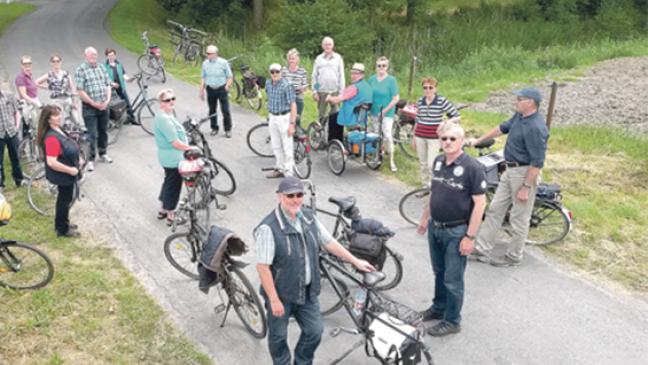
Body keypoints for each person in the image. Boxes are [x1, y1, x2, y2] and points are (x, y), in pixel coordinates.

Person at [255, 176, 374, 365]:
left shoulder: (308, 216)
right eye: (290, 195)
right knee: (278, 338)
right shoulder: (268, 228)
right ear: (279, 196)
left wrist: (355, 261)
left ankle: (302, 362)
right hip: (282, 295)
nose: (296, 199)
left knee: (314, 332)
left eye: (299, 194)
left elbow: (328, 242)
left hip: (307, 291)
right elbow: (263, 268)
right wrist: (274, 299)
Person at [416, 121, 487, 337]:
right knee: (439, 272)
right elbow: (434, 193)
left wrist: (470, 237)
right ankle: (438, 308)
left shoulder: (472, 167)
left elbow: (480, 204)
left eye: (452, 139)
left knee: (453, 279)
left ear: (462, 141)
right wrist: (424, 218)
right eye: (444, 138)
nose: (447, 142)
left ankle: (452, 320)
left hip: (456, 232)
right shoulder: (438, 162)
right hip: (435, 227)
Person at [468, 87, 549, 267]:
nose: (516, 101)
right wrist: (478, 140)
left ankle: (514, 256)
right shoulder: (519, 117)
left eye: (519, 99)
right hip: (509, 169)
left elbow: (537, 162)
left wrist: (526, 187)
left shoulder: (536, 127)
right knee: (495, 209)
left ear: (531, 102)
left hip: (524, 173)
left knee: (519, 217)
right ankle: (482, 249)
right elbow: (501, 128)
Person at [36, 105, 82, 237]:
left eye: (59, 114)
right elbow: (52, 162)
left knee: (65, 199)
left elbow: (68, 144)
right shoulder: (51, 137)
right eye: (56, 115)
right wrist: (70, 170)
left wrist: (79, 158)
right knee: (64, 200)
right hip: (63, 174)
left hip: (69, 172)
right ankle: (62, 229)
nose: (59, 117)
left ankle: (63, 222)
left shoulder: (58, 129)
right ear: (48, 119)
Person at [153, 89, 196, 226]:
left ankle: (163, 209)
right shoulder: (164, 119)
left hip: (168, 156)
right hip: (173, 158)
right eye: (167, 100)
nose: (171, 102)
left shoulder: (165, 115)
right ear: (161, 103)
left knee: (168, 181)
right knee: (174, 185)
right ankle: (171, 213)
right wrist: (190, 148)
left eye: (173, 98)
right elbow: (175, 143)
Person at [414, 78, 461, 187]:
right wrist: (413, 137)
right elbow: (417, 119)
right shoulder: (420, 101)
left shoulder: (441, 100)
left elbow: (457, 116)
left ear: (435, 89)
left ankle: (433, 185)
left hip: (434, 137)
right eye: (425, 88)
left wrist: (445, 123)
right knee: (423, 163)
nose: (428, 90)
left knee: (432, 163)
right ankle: (424, 185)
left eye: (430, 87)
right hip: (420, 135)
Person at [75, 46, 113, 172]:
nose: (94, 57)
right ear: (86, 56)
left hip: (103, 105)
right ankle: (90, 159)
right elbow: (80, 91)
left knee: (103, 131)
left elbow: (108, 84)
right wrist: (92, 103)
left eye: (95, 54)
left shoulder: (102, 67)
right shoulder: (81, 70)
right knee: (92, 134)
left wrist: (107, 100)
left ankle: (103, 153)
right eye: (91, 55)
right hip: (89, 108)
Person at [368, 56, 400, 172]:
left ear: (387, 67)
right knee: (376, 134)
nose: (381, 68)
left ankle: (391, 160)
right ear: (376, 67)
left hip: (387, 112)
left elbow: (396, 98)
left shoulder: (391, 80)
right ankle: (377, 155)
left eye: (384, 66)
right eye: (379, 66)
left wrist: (385, 110)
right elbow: (368, 94)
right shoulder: (371, 79)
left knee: (387, 135)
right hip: (374, 112)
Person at [265, 63, 297, 179]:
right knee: (276, 145)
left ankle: (289, 174)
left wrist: (292, 124)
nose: (275, 74)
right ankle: (280, 168)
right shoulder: (268, 83)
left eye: (277, 72)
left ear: (281, 72)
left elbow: (293, 105)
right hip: (273, 116)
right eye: (272, 72)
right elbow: (269, 99)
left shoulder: (286, 85)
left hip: (284, 117)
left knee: (287, 147)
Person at [326, 63, 373, 142]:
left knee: (333, 117)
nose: (353, 76)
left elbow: (337, 99)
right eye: (352, 73)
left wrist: (329, 98)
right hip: (362, 117)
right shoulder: (367, 86)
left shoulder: (354, 88)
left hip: (351, 116)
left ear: (362, 75)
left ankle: (334, 143)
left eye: (356, 74)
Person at [36, 54, 82, 127]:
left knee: (76, 119)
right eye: (54, 61)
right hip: (56, 100)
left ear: (61, 62)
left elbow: (72, 88)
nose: (56, 63)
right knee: (60, 121)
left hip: (67, 99)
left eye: (58, 61)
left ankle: (77, 133)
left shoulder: (66, 74)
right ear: (51, 63)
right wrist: (47, 87)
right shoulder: (49, 75)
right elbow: (36, 82)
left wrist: (74, 102)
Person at [199, 45, 233, 138]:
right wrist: (201, 90)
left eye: (209, 53)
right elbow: (203, 77)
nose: (207, 55)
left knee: (225, 110)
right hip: (210, 89)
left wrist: (227, 86)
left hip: (222, 88)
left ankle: (227, 129)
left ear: (215, 54)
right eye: (207, 53)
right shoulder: (205, 63)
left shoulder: (223, 63)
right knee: (212, 110)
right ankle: (214, 128)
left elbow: (230, 76)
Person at [0, 84, 25, 190]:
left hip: (11, 131)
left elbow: (17, 112)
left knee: (16, 157)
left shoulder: (9, 96)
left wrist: (16, 126)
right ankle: (1, 184)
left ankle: (19, 179)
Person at [104, 48, 135, 123]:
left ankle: (131, 119)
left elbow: (123, 74)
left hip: (121, 88)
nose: (111, 57)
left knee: (127, 103)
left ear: (115, 55)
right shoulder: (104, 66)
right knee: (114, 106)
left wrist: (128, 79)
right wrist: (112, 83)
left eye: (113, 55)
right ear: (107, 56)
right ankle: (115, 120)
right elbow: (104, 78)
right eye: (109, 55)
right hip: (112, 90)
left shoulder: (119, 64)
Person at [281, 49, 308, 127]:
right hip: (286, 96)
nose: (291, 60)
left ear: (297, 60)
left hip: (298, 96)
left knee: (297, 117)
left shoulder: (302, 71)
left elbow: (305, 84)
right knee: (285, 116)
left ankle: (297, 130)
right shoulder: (284, 70)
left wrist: (302, 88)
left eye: (293, 58)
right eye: (290, 58)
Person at [15, 55, 41, 126]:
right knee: (34, 122)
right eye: (25, 64)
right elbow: (23, 94)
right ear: (21, 65)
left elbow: (32, 84)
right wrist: (35, 102)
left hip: (34, 99)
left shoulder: (29, 73)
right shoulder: (20, 77)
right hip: (27, 103)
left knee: (41, 119)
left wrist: (43, 87)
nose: (27, 65)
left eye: (29, 63)